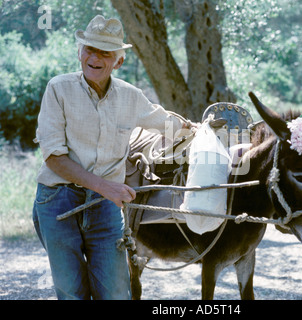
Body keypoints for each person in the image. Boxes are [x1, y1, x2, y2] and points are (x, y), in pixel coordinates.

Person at [32, 15, 188, 300]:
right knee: (71, 291)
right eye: (89, 49)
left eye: (105, 52)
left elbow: (170, 124)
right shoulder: (59, 89)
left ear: (119, 62)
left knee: (116, 292)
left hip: (104, 206)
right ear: (80, 52)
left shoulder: (131, 96)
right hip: (58, 200)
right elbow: (54, 158)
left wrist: (207, 130)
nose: (95, 57)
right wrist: (107, 187)